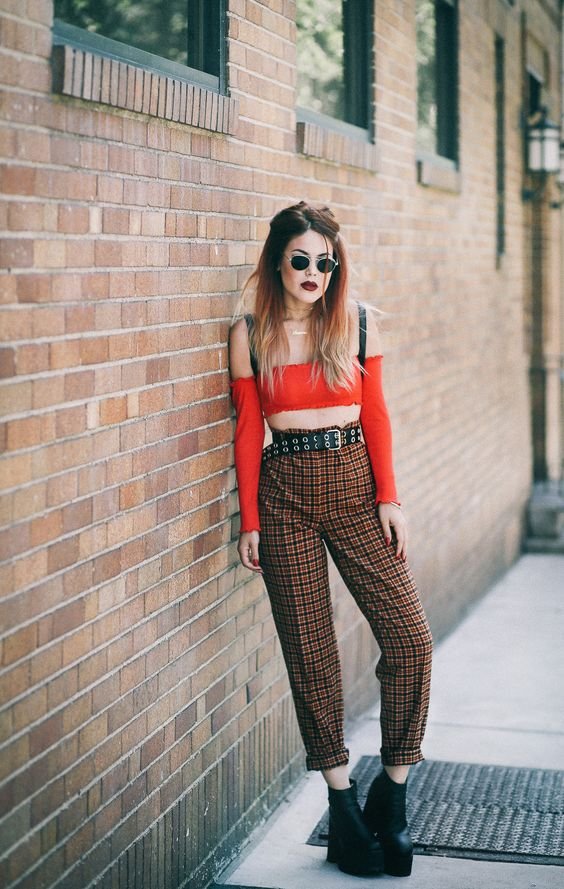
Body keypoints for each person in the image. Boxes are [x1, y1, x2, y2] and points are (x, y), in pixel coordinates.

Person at [228, 202, 433, 878]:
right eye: (302, 259)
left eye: (326, 261)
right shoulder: (250, 332)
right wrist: (250, 520)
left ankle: (393, 795)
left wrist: (389, 497)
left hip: (353, 485)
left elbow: (375, 412)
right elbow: (248, 429)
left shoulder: (358, 320)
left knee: (409, 639)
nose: (315, 271)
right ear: (277, 260)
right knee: (311, 654)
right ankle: (342, 806)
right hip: (283, 494)